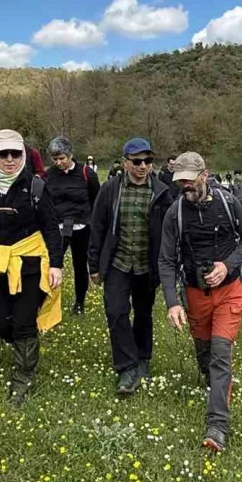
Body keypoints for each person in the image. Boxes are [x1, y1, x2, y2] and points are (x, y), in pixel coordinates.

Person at [159, 152, 242, 452]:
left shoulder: (230, 204)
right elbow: (166, 260)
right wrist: (173, 303)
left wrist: (227, 265)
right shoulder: (174, 213)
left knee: (220, 352)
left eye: (189, 180)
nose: (185, 186)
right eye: (180, 182)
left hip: (229, 290)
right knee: (204, 351)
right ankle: (212, 381)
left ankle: (217, 426)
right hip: (194, 293)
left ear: (205, 174)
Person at [0, 129, 64, 405]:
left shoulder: (36, 187)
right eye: (3, 154)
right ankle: (25, 347)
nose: (10, 159)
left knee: (23, 322)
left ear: (24, 155)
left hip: (30, 265)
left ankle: (23, 377)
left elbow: (51, 229)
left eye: (15, 153)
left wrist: (55, 265)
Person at [89, 138, 176, 395]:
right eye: (137, 161)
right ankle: (127, 366)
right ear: (126, 162)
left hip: (147, 264)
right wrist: (94, 265)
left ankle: (143, 359)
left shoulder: (162, 192)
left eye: (148, 161)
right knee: (116, 312)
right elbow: (98, 228)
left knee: (144, 313)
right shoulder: (110, 189)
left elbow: (169, 233)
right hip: (118, 262)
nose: (143, 166)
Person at [45, 136, 101, 315]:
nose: (59, 162)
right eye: (55, 159)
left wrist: (91, 221)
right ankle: (48, 302)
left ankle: (79, 303)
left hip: (82, 226)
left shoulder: (87, 173)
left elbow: (96, 199)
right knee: (52, 263)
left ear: (70, 155)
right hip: (58, 227)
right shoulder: (50, 175)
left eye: (62, 158)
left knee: (79, 265)